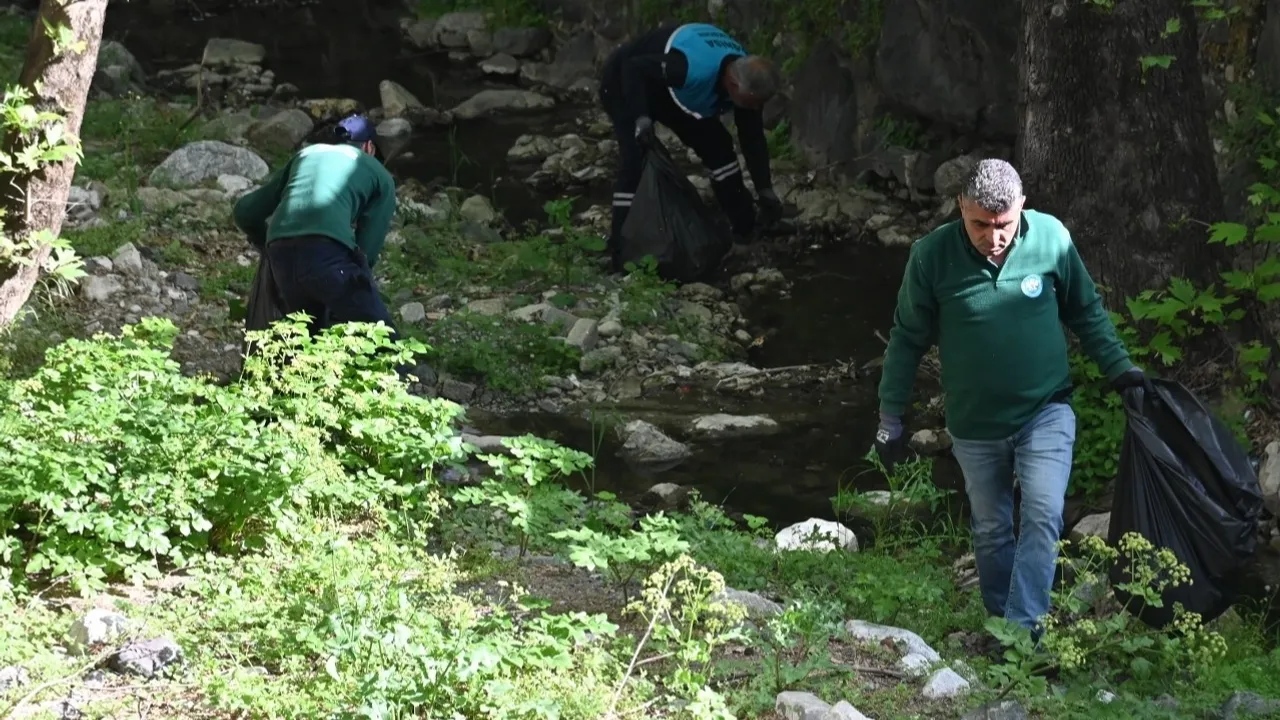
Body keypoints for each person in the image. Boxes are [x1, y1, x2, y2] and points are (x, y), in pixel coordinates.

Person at [874, 158, 1145, 635]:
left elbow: (1086, 312)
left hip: (1046, 409)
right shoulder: (931, 256)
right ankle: (1001, 621)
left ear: (1022, 205)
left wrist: (1122, 371)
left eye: (1004, 224)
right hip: (975, 422)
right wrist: (890, 416)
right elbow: (907, 338)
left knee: (1042, 514)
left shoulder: (1050, 238)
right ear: (961, 206)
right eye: (980, 224)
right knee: (992, 528)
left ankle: (1023, 635)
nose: (994, 237)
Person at [597, 22, 784, 271]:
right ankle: (619, 250)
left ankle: (744, 232)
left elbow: (753, 139)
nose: (756, 108)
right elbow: (633, 69)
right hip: (624, 81)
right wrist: (641, 118)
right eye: (753, 103)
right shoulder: (690, 69)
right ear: (733, 85)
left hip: (674, 92)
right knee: (635, 160)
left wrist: (765, 189)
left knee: (719, 149)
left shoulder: (747, 79)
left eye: (760, 104)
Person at [232, 113, 398, 337]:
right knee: (384, 337)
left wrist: (266, 242)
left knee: (307, 337)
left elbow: (245, 212)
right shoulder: (378, 172)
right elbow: (367, 251)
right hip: (327, 254)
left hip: (280, 256)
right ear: (369, 147)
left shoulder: (306, 155)